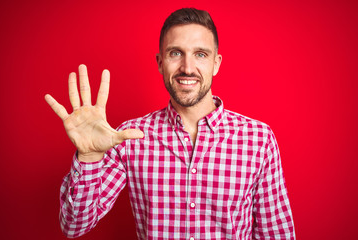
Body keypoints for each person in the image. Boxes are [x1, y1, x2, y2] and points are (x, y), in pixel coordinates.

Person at [45, 8, 295, 240]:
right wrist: (88, 158)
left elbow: (277, 233)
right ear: (160, 62)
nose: (187, 67)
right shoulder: (130, 138)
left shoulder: (258, 139)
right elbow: (73, 225)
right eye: (176, 53)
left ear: (216, 64)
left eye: (200, 54)